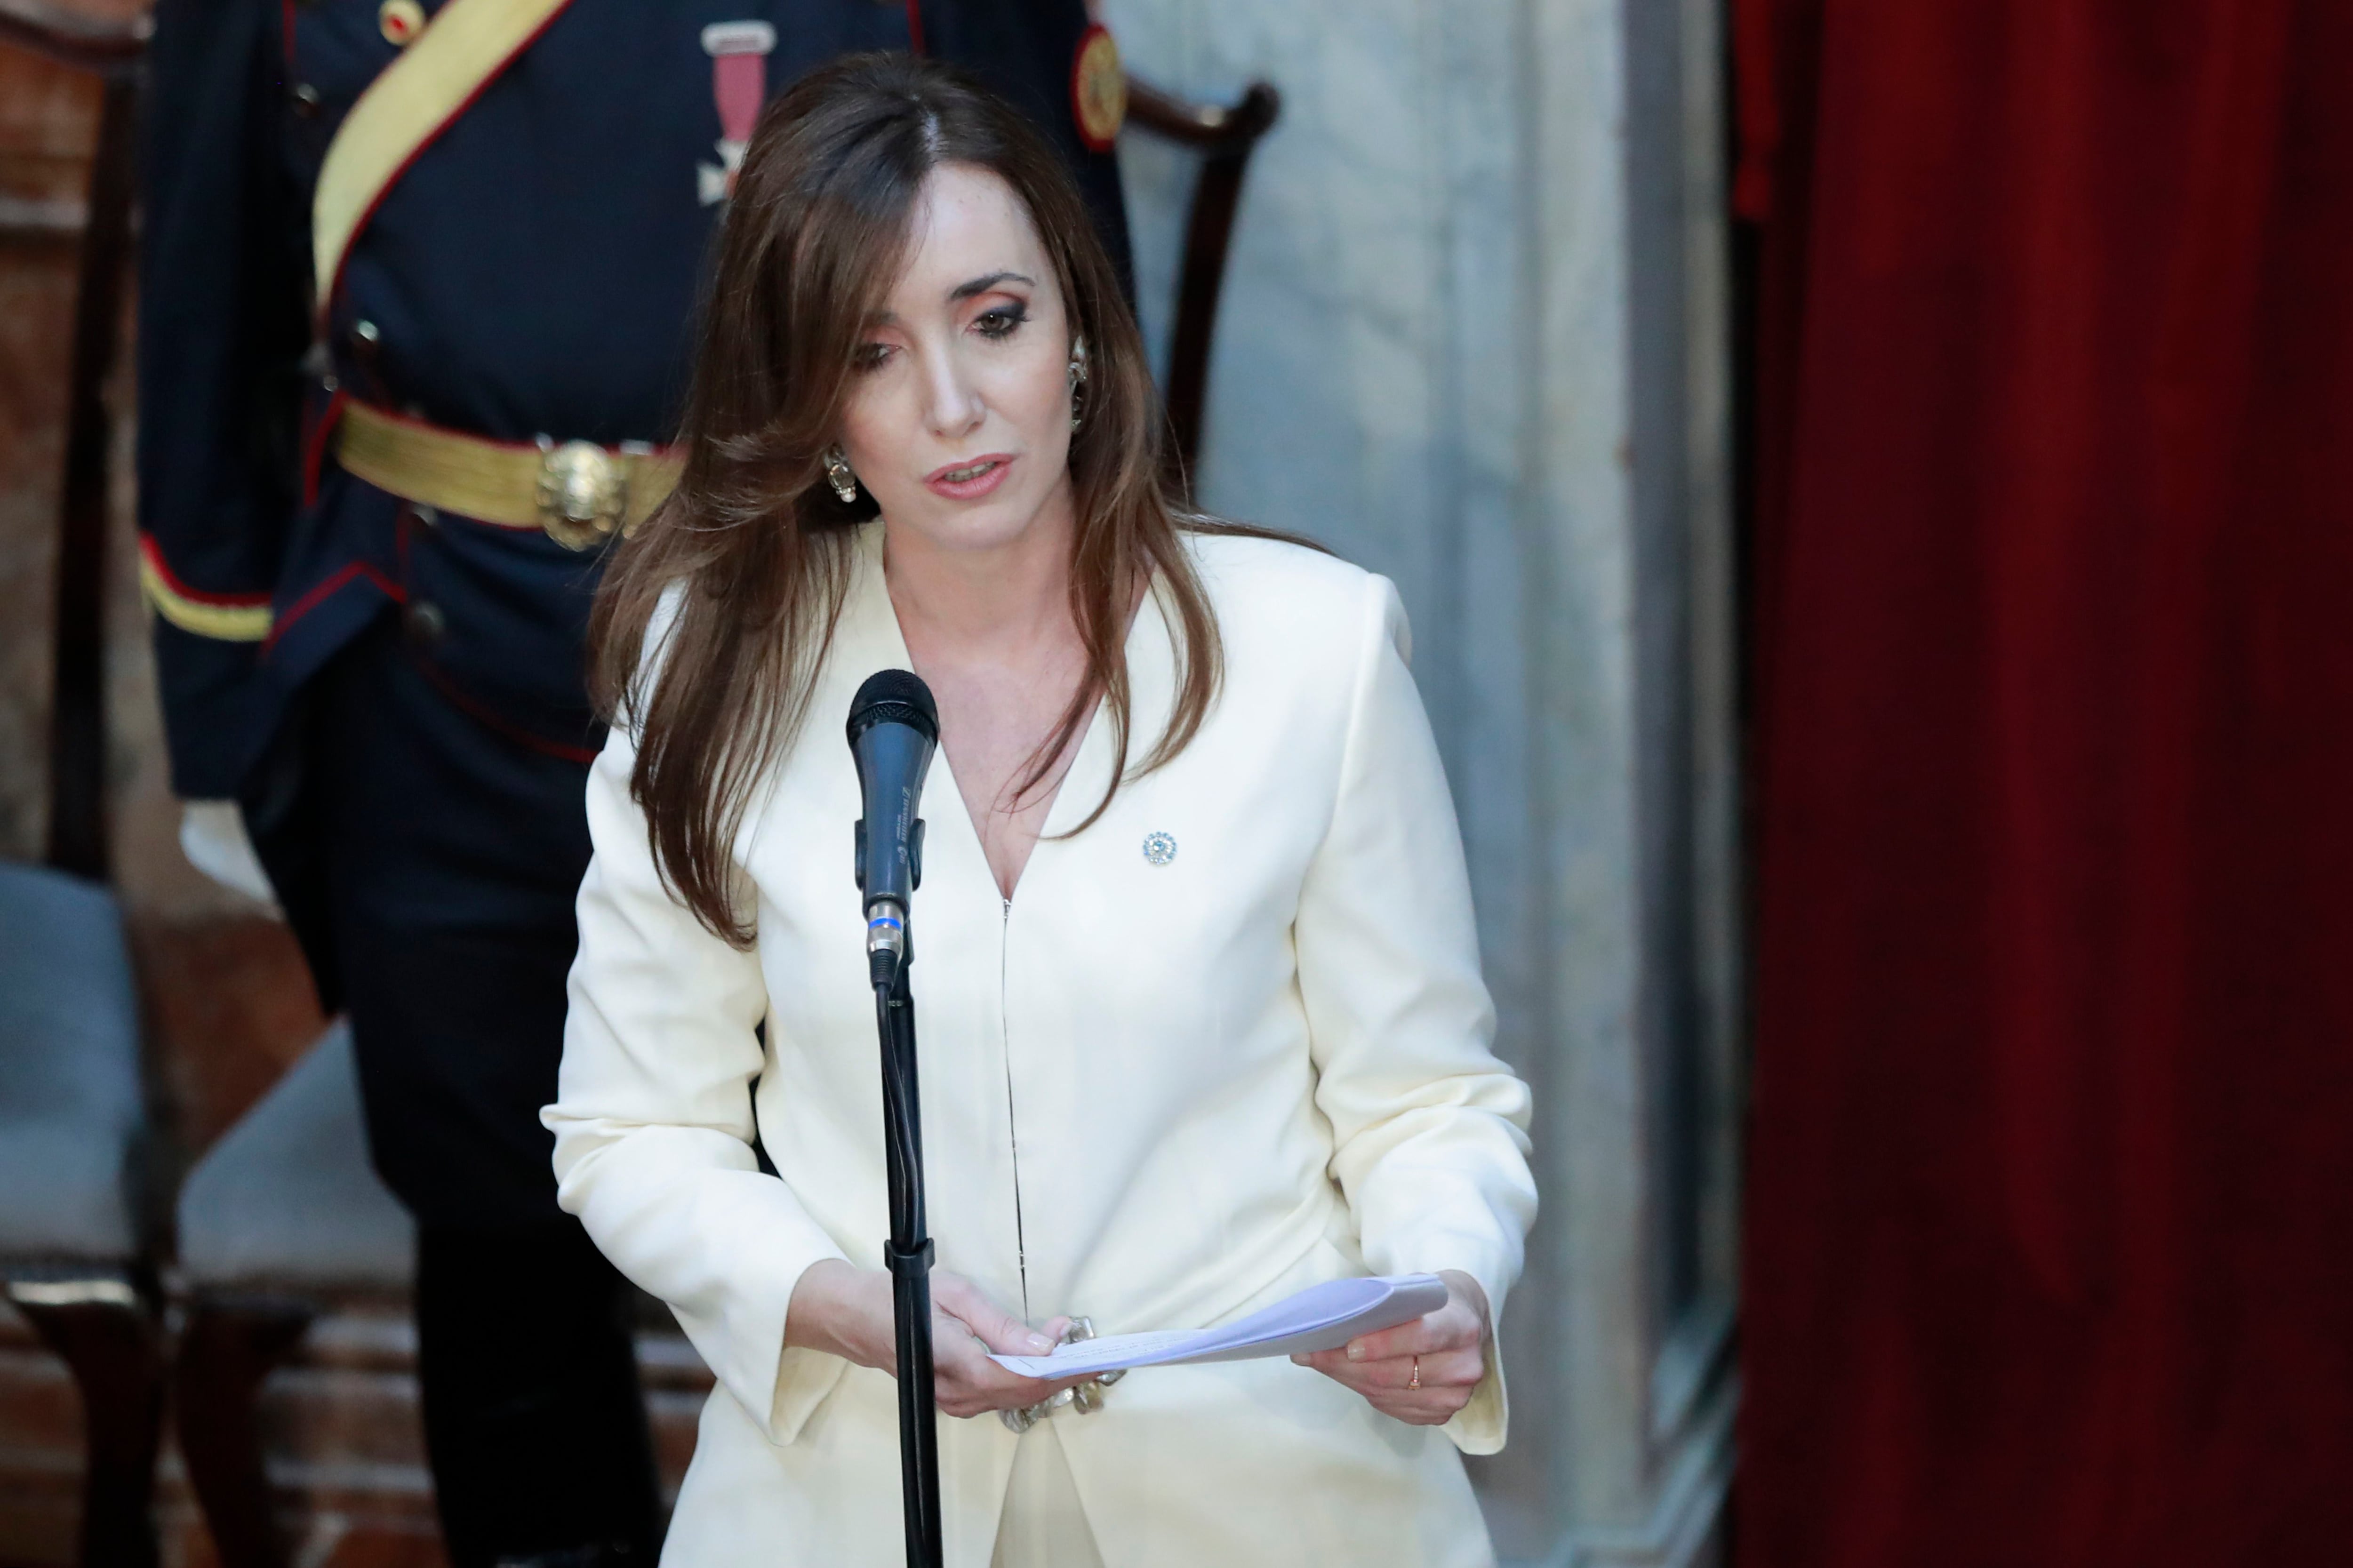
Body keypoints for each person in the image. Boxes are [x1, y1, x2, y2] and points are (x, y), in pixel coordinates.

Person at [136, 3, 1130, 1562]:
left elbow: (1065, 310)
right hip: (435, 677)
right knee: (500, 1255)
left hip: (839, 665)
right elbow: (209, 296)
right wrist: (217, 696)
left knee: (933, 1236)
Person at [546, 55, 1537, 1567]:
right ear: (815, 403)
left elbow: (1425, 1102)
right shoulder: (712, 675)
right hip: (857, 1508)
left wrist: (1447, 1282)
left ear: (1076, 333)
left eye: (994, 320)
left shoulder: (1315, 653)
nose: (954, 405)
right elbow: (631, 1131)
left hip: (1278, 1499)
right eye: (873, 353)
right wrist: (837, 1303)